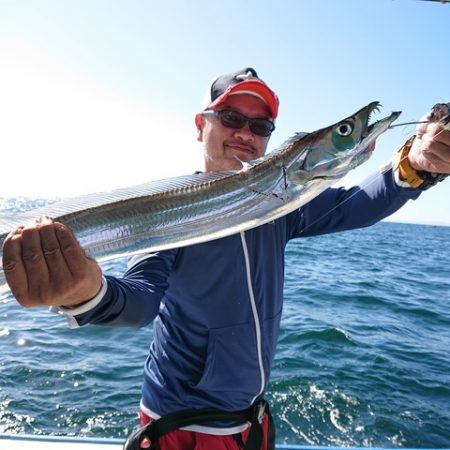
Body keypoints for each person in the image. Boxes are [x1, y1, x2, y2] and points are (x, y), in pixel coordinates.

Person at [3, 67, 450, 450]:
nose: (245, 133)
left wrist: (416, 164)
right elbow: (138, 301)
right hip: (181, 428)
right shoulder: (170, 211)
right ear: (202, 125)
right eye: (232, 117)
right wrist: (84, 290)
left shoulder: (281, 207)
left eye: (261, 126)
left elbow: (356, 204)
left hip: (249, 422)